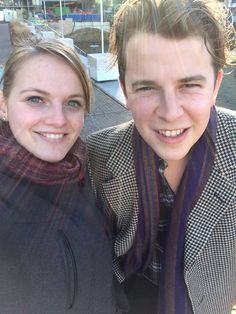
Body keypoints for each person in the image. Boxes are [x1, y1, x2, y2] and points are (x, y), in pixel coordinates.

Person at [86, 0, 236, 313]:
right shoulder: (97, 155)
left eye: (189, 85)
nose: (170, 113)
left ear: (215, 86)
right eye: (147, 87)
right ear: (125, 91)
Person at [0, 38, 120, 314]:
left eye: (73, 103)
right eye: (35, 99)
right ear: (3, 105)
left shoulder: (81, 171)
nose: (58, 119)